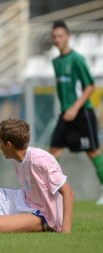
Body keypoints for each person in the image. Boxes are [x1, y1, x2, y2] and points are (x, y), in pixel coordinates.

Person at [49, 20, 103, 205]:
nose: (57, 40)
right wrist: (67, 109)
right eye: (54, 37)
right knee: (52, 152)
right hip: (65, 114)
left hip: (82, 113)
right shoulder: (56, 61)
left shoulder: (77, 59)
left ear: (68, 37)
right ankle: (48, 194)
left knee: (93, 152)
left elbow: (90, 86)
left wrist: (74, 108)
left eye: (60, 36)